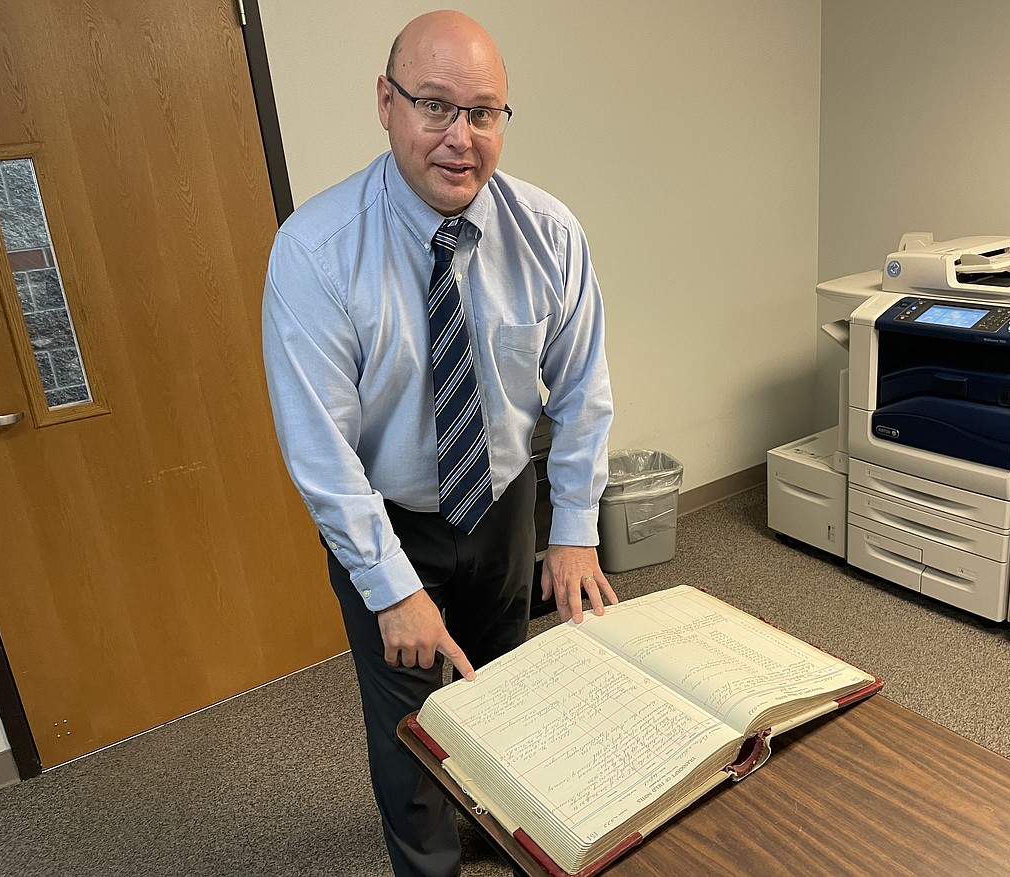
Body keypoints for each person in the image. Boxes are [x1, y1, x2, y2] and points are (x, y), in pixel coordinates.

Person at [261, 9, 617, 877]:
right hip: (386, 518)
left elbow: (581, 388)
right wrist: (390, 588)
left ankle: (502, 835)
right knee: (410, 730)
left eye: (484, 112)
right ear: (386, 103)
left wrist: (573, 525)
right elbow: (320, 451)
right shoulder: (316, 252)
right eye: (435, 106)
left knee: (509, 700)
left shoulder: (548, 233)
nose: (461, 138)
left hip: (502, 503)